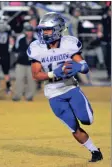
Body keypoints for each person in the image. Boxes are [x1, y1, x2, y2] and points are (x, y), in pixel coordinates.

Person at [27, 12, 103, 162]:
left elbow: (84, 66)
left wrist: (79, 68)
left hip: (70, 87)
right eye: (43, 29)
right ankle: (95, 151)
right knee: (73, 126)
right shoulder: (37, 47)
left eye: (48, 29)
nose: (44, 33)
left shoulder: (69, 43)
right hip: (53, 93)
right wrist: (52, 74)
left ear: (58, 29)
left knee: (87, 120)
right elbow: (36, 75)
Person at [12, 22, 36, 101]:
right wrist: (18, 55)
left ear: (32, 32)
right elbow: (15, 49)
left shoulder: (36, 41)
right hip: (20, 63)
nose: (29, 33)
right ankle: (17, 95)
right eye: (27, 31)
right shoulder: (20, 39)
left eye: (30, 31)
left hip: (32, 64)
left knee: (31, 80)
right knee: (19, 79)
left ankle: (29, 96)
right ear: (25, 32)